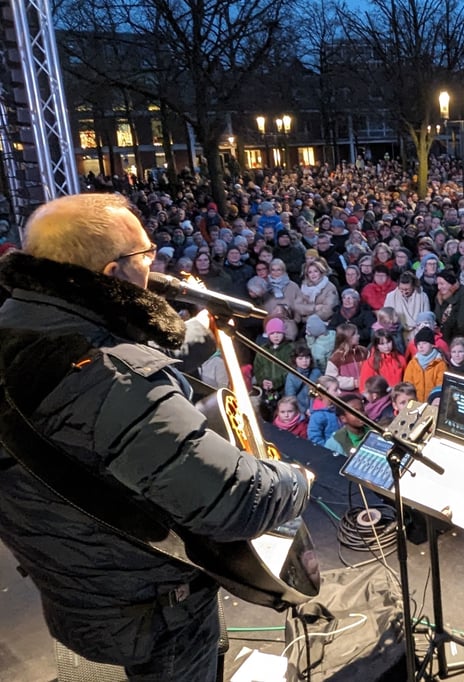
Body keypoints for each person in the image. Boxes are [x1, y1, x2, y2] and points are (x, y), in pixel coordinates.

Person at [0, 193, 312, 679]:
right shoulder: (111, 379)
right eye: (145, 254)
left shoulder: (23, 325)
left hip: (72, 579)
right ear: (112, 272)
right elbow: (234, 500)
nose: (154, 263)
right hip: (151, 610)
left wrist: (200, 331)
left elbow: (105, 359)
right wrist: (296, 479)